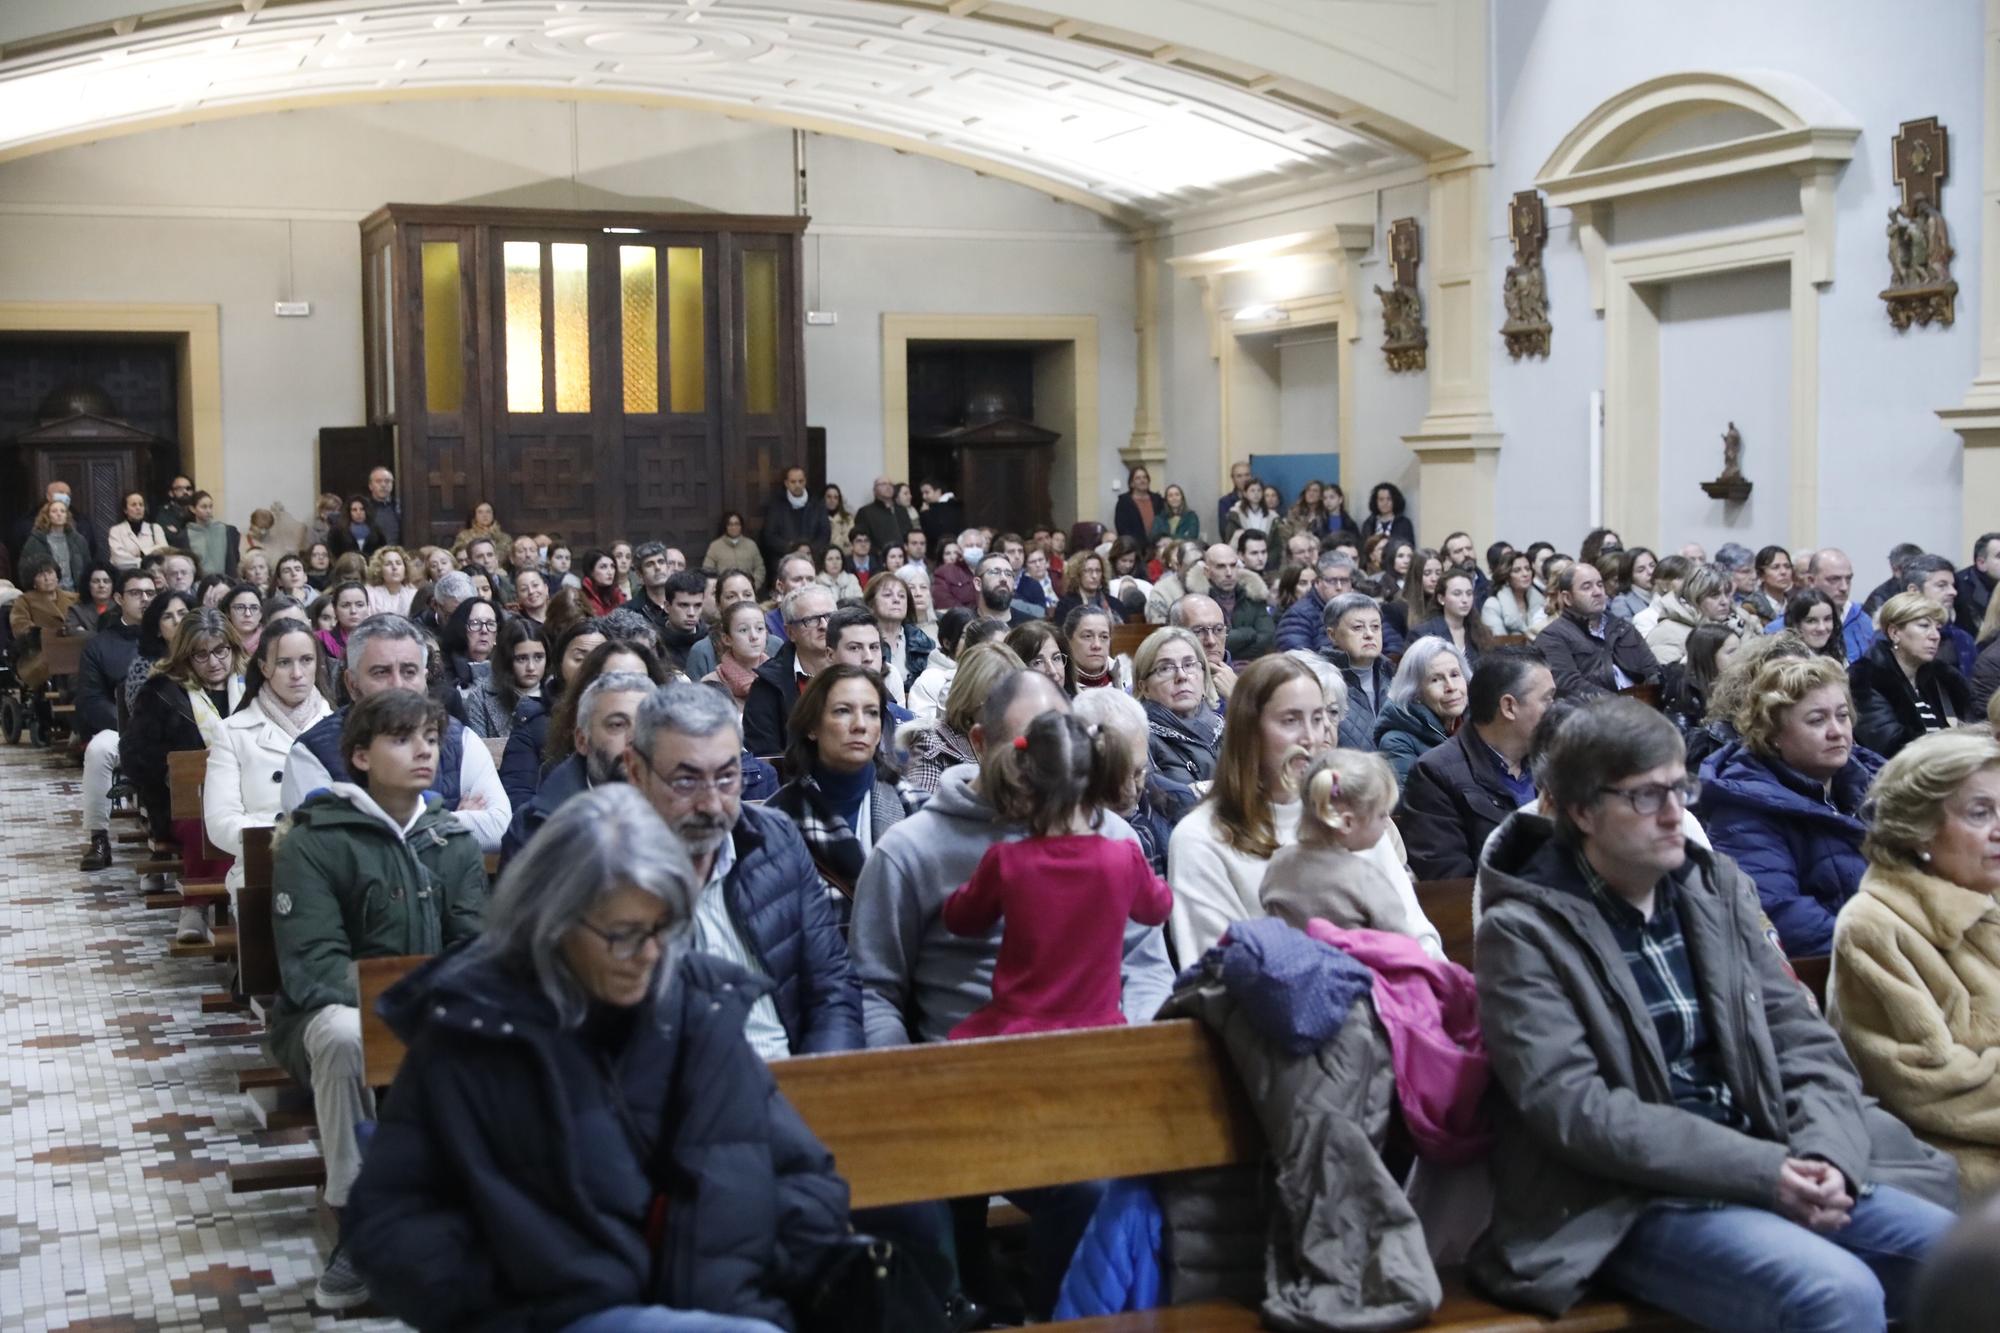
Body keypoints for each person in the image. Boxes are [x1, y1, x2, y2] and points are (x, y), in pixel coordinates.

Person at [1473, 697, 1955, 1329]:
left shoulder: (1713, 888)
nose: (1677, 815)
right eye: (1647, 797)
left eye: (1681, 788)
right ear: (1583, 810)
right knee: (1835, 1293)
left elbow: (1803, 1042)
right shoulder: (1523, 929)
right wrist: (1765, 1172)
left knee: (1972, 1258)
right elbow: (1578, 1110)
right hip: (1626, 1200)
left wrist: (1825, 1155)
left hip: (1777, 1152)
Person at [348, 782, 851, 1333]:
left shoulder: (699, 1011)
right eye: (625, 935)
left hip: (725, 1305)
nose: (651, 956)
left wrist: (743, 1271)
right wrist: (514, 1301)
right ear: (552, 922)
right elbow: (391, 1224)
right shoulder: (475, 1028)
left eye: (664, 929)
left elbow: (808, 1180)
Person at [268, 688, 488, 1312]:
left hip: (432, 1011)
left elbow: (474, 950)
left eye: (430, 738)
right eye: (402, 738)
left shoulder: (451, 839)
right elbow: (314, 965)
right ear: (360, 756)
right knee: (344, 1034)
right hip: (327, 1018)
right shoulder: (314, 838)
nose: (423, 750)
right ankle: (358, 1221)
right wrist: (403, 1012)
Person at [622, 681, 864, 1058]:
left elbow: (832, 986)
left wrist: (823, 1080)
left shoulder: (775, 840)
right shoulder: (601, 870)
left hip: (796, 1081)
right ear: (635, 772)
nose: (712, 804)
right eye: (686, 781)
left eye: (726, 777)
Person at [1829, 730, 2000, 1193]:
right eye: (1980, 813)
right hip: (1964, 1163)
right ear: (1919, 828)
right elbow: (1927, 1083)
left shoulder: (1991, 894)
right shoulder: (1872, 927)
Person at [1168, 654, 1415, 963]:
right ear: (1250, 731)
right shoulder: (1200, 837)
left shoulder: (1350, 814)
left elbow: (1414, 932)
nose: (1312, 738)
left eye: (1318, 718)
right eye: (1291, 720)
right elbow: (1217, 965)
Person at [940, 710, 1171, 1038]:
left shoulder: (1006, 862)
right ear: (1097, 779)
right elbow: (1158, 908)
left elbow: (959, 920)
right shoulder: (1124, 856)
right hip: (1099, 1033)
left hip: (1016, 1034)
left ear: (1024, 781)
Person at [1694, 655, 1883, 958]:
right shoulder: (1743, 809)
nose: (1837, 731)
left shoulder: (1877, 781)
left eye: (1842, 715)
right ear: (1774, 734)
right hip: (1839, 976)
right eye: (1817, 720)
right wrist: (1892, 945)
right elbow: (1781, 917)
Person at [280, 614, 511, 852]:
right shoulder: (311, 752)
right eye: (381, 672)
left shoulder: (459, 739)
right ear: (352, 684)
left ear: (424, 677)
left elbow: (498, 828)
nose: (398, 684)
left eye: (409, 671)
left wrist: (371, 826)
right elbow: (327, 846)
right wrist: (449, 821)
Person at [122, 608, 246, 941]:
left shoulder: (252, 687)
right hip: (181, 802)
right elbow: (134, 755)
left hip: (248, 794)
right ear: (185, 655)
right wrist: (174, 773)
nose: (214, 661)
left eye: (221, 650)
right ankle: (197, 905)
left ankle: (235, 906)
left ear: (234, 648)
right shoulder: (163, 691)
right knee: (207, 821)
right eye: (201, 654)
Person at [1260, 748, 1443, 958]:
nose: (1386, 824)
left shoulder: (1278, 863)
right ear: (1347, 822)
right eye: (1382, 815)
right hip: (1358, 981)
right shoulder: (1364, 878)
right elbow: (1404, 942)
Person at [1400, 646, 1555, 880]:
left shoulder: (1554, 757)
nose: (1555, 709)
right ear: (1509, 707)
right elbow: (1451, 883)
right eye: (1547, 699)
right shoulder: (1434, 774)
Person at [203, 621, 332, 900]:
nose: (297, 673)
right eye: (284, 663)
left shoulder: (340, 727)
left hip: (331, 863)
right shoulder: (232, 732)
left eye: (306, 660)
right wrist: (283, 837)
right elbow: (220, 822)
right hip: (259, 865)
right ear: (264, 667)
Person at [767, 665, 908, 920]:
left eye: (872, 713)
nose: (860, 725)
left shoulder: (916, 807)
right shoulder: (776, 820)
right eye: (843, 711)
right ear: (812, 727)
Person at [499, 669, 655, 866]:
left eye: (646, 725)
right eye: (617, 725)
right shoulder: (535, 828)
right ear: (582, 741)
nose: (634, 738)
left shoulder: (686, 809)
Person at [74, 568, 156, 872]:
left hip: (170, 731)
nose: (145, 599)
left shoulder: (170, 638)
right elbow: (91, 700)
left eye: (150, 593)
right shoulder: (100, 645)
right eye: (136, 593)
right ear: (119, 598)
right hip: (120, 729)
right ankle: (98, 838)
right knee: (98, 750)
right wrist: (129, 727)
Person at [1849, 593, 1969, 759]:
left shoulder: (1944, 677)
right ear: (1894, 632)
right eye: (1924, 625)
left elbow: (1975, 726)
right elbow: (1890, 746)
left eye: (1937, 628)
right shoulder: (1865, 677)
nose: (1935, 636)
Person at [1536, 559, 1661, 699]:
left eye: (1600, 585)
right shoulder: (1552, 636)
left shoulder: (1622, 628)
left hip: (1641, 707)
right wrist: (1622, 703)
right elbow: (1569, 686)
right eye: (1586, 587)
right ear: (1567, 598)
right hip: (1593, 714)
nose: (1597, 592)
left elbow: (1652, 669)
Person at [743, 583, 834, 755]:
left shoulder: (858, 670)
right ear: (790, 632)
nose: (823, 625)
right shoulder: (767, 686)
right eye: (811, 620)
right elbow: (765, 756)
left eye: (829, 616)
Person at [1373, 636, 1470, 788]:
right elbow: (1410, 803)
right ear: (1415, 693)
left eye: (1455, 675)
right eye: (1436, 680)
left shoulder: (1477, 725)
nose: (1451, 686)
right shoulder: (1396, 742)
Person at [1132, 625, 1217, 787]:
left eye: (1189, 664)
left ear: (1204, 675)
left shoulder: (1225, 727)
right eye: (1165, 668)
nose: (1182, 676)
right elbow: (1163, 804)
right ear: (1144, 688)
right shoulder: (1140, 740)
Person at [1765, 547, 1877, 664]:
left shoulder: (1862, 621)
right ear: (1811, 580)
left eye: (1848, 579)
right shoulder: (1778, 630)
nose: (1844, 587)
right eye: (1834, 579)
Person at [1319, 590, 1392, 751]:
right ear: (1332, 635)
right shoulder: (1319, 682)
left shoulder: (1393, 677)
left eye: (1375, 627)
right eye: (1358, 627)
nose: (1369, 634)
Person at [462, 616, 543, 740]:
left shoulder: (557, 693)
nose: (531, 667)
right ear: (507, 659)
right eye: (521, 659)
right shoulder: (480, 698)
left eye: (538, 657)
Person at [1645, 563, 1736, 667]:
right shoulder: (1667, 632)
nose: (1725, 602)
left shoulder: (1737, 624)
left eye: (1727, 594)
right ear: (1694, 598)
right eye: (1714, 595)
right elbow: (1668, 679)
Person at [1663, 621, 1741, 735]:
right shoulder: (1684, 690)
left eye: (1741, 649)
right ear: (1707, 656)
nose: (1741, 655)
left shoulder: (1740, 681)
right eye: (1731, 652)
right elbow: (1686, 739)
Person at [1274, 551, 1356, 654]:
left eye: (1344, 581)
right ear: (1317, 582)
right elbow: (1297, 660)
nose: (1339, 587)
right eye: (1332, 581)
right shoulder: (1297, 616)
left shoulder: (1359, 610)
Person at [699, 599, 772, 714]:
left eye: (759, 629)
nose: (754, 636)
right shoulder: (711, 684)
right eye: (743, 630)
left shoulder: (778, 677)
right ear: (727, 639)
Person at [1411, 567, 1488, 671]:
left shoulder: (1481, 632)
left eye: (1469, 593)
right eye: (1457, 594)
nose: (1465, 600)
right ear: (1441, 599)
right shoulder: (1423, 633)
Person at [20, 498, 93, 593]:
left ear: (67, 516)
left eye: (62, 511)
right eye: (54, 511)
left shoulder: (78, 540)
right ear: (47, 515)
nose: (59, 514)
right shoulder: (35, 541)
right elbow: (24, 570)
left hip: (74, 593)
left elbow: (88, 567)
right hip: (45, 594)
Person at [107, 491, 167, 569]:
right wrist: (145, 561)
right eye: (133, 505)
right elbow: (118, 559)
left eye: (141, 505)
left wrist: (142, 553)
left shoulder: (155, 528)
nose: (138, 508)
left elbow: (164, 549)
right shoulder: (116, 530)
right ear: (125, 510)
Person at [1113, 465, 1166, 546]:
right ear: (1131, 483)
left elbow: (1164, 522)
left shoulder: (1157, 500)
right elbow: (1122, 529)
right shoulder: (1124, 503)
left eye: (1145, 477)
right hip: (1134, 548)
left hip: (1156, 546)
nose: (1142, 480)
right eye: (1138, 478)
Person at [361, 545, 415, 617]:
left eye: (398, 563)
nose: (394, 567)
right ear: (379, 570)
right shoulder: (369, 594)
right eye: (388, 564)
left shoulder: (414, 594)